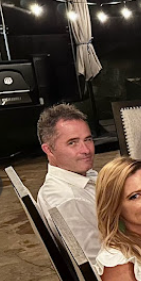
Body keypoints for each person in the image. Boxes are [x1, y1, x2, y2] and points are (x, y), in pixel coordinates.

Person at [37, 103, 101, 264]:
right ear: (49, 150)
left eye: (88, 139)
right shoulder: (69, 201)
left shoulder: (82, 174)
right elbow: (97, 265)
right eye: (72, 143)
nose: (86, 150)